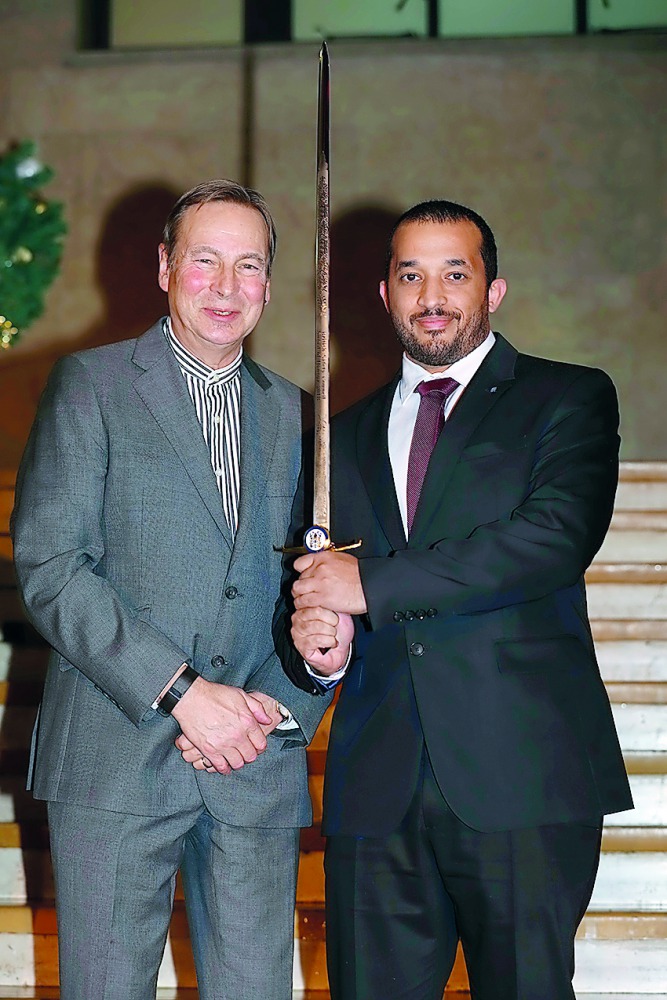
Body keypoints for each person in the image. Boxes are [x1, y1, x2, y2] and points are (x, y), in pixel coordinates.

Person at [280, 200, 633, 1000]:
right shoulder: (338, 438)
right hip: (377, 787)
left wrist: (369, 587)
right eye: (410, 275)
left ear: (493, 291)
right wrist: (316, 645)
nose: (430, 295)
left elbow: (550, 540)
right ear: (384, 294)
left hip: (521, 777)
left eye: (453, 273)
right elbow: (316, 593)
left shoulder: (566, 398)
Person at [11, 179, 329, 1000]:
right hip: (115, 759)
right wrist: (184, 693)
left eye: (248, 265)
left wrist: (274, 708)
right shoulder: (92, 386)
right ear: (163, 267)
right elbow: (50, 568)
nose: (226, 288)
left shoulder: (299, 417)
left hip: (253, 764)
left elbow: (315, 591)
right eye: (205, 261)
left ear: (269, 282)